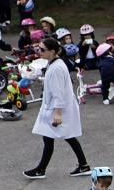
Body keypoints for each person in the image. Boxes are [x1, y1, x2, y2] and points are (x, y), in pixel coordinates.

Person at [24, 38, 91, 179]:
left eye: (42, 50)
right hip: (58, 107)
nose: (39, 52)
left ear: (53, 51)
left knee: (54, 137)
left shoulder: (56, 68)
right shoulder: (55, 64)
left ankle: (41, 169)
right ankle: (83, 165)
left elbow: (58, 93)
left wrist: (58, 113)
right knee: (63, 136)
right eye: (38, 49)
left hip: (58, 108)